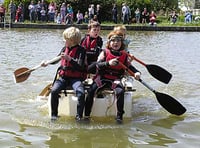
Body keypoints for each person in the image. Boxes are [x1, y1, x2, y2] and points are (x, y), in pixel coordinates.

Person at [84, 30, 141, 124]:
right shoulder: (104, 52)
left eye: (118, 40)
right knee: (91, 90)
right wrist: (108, 63)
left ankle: (119, 117)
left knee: (120, 91)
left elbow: (129, 67)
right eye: (113, 40)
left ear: (122, 43)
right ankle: (86, 115)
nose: (116, 43)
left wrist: (136, 73)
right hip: (101, 77)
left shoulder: (124, 55)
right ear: (109, 43)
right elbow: (97, 65)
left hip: (115, 79)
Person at [41, 27, 87, 122]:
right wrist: (47, 63)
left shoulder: (81, 50)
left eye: (65, 39)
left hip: (76, 79)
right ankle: (54, 115)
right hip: (63, 77)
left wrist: (70, 59)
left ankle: (79, 117)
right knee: (54, 91)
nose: (64, 41)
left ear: (72, 40)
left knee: (81, 93)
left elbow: (80, 66)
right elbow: (56, 59)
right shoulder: (64, 48)